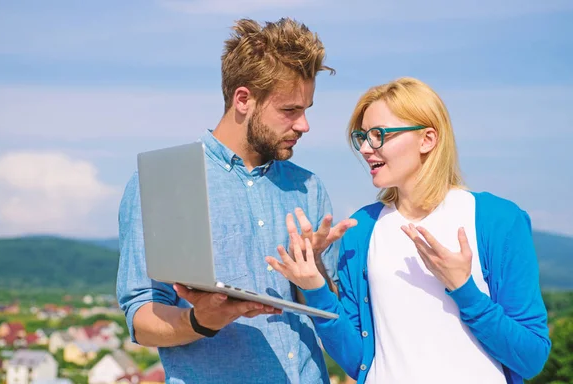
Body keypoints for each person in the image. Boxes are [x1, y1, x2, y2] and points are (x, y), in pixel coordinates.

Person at [266, 77, 552, 384]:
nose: (365, 148)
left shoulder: (498, 221)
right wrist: (316, 288)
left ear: (427, 139)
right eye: (361, 136)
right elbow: (358, 360)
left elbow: (532, 357)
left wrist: (464, 290)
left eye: (378, 135)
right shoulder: (361, 230)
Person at [116, 17, 355, 384]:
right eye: (290, 110)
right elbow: (142, 318)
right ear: (243, 99)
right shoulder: (165, 183)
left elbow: (329, 312)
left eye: (307, 109)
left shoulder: (309, 188)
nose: (304, 125)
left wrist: (316, 272)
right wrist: (199, 320)